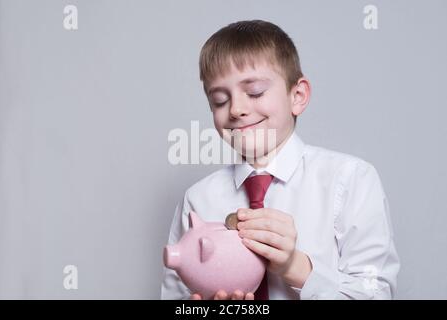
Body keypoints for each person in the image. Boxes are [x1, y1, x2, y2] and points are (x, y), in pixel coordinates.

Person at [161, 20, 399, 300]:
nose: (236, 109)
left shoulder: (350, 180)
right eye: (220, 100)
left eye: (255, 92)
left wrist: (296, 267)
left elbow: (376, 293)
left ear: (297, 96)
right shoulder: (198, 199)